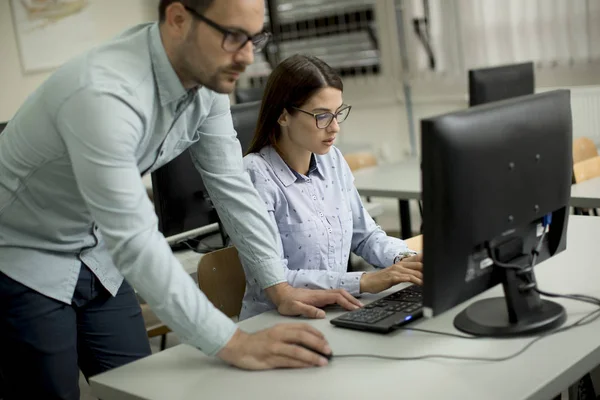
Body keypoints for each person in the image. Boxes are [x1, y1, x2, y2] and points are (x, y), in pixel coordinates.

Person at [0, 1, 363, 398]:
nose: (247, 57)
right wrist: (233, 342)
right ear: (178, 19)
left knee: (143, 389)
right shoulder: (103, 95)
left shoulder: (206, 83)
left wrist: (279, 288)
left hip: (99, 254)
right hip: (24, 257)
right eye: (233, 37)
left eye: (253, 38)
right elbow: (137, 241)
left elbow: (232, 187)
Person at [240, 55, 423, 320]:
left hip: (335, 311)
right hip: (274, 321)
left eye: (337, 114)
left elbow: (365, 235)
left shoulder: (332, 160)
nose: (335, 127)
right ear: (283, 115)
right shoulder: (255, 175)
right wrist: (364, 281)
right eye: (322, 116)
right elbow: (278, 278)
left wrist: (404, 260)